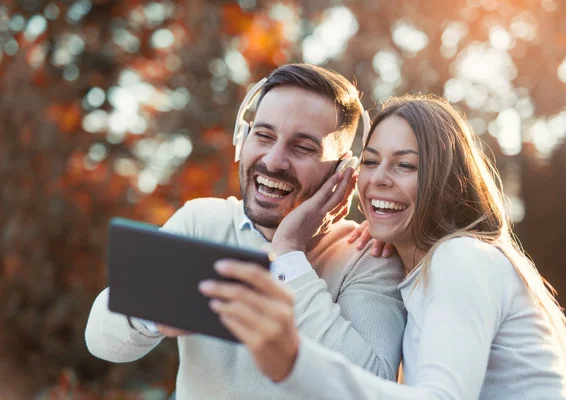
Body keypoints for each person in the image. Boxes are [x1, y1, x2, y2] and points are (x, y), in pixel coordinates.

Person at [201, 94, 566, 399]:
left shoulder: (461, 258)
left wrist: (293, 357)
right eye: (371, 162)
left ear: (445, 181)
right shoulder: (419, 270)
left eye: (405, 165)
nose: (380, 180)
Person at [84, 64, 406, 399]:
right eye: (264, 136)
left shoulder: (368, 256)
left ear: (343, 171)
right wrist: (151, 315)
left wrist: (289, 254)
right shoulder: (202, 222)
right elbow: (101, 341)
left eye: (303, 147)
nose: (274, 160)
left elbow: (373, 385)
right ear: (243, 137)